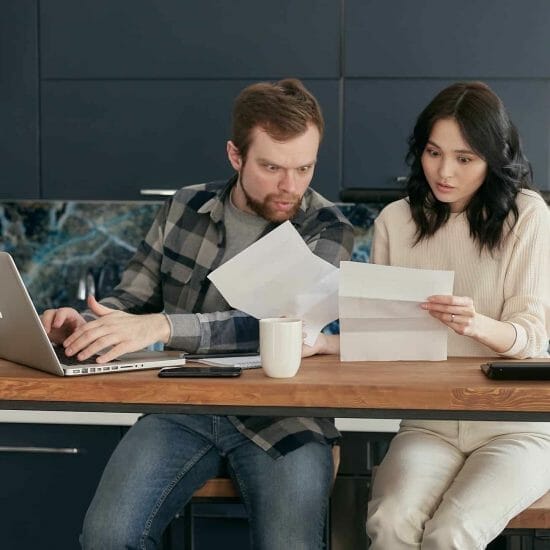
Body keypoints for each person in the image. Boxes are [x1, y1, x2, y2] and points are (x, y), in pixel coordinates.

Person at [41, 78, 354, 550]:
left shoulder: (327, 226)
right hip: (181, 405)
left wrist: (164, 326)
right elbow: (132, 302)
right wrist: (85, 328)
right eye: (271, 167)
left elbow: (268, 325)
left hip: (286, 415)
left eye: (304, 167)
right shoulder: (183, 208)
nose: (291, 186)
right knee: (107, 538)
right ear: (236, 156)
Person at [305, 81, 550, 549]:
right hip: (429, 424)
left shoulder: (527, 215)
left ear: (493, 160)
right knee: (390, 522)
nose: (445, 172)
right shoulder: (395, 222)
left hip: (518, 427)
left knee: (451, 534)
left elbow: (532, 338)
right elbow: (384, 337)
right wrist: (325, 343)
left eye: (465, 159)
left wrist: (473, 322)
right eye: (434, 153)